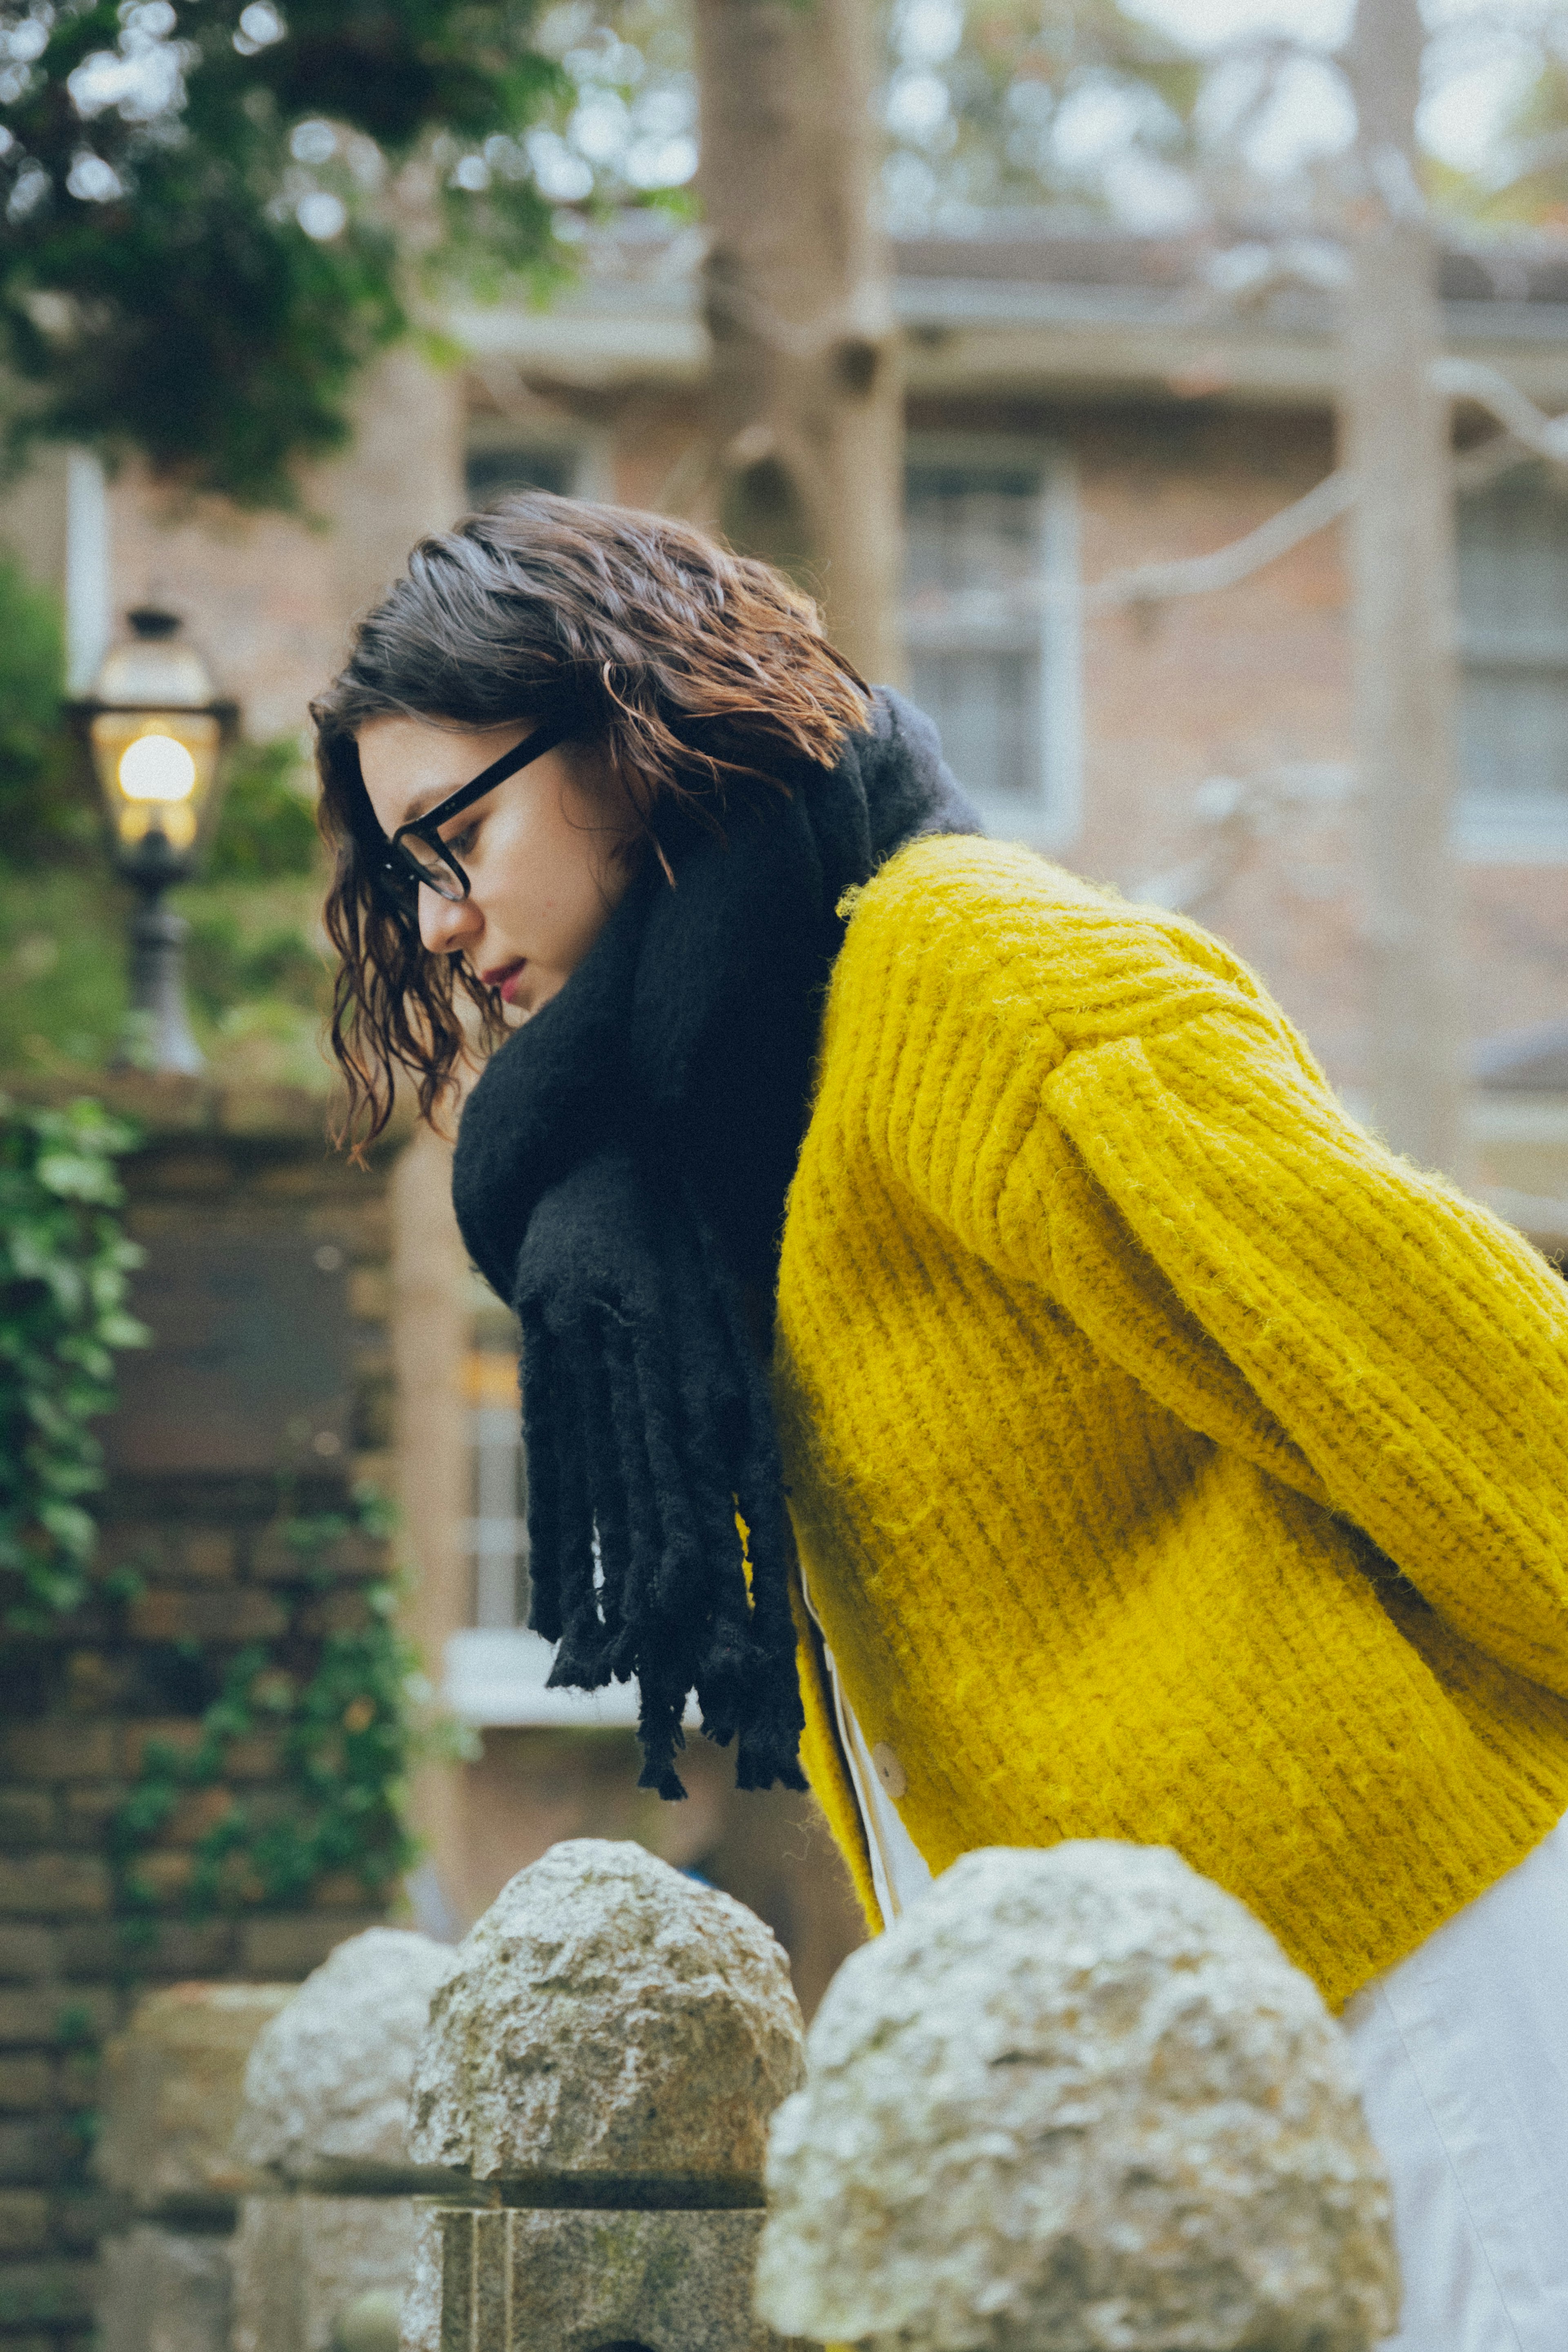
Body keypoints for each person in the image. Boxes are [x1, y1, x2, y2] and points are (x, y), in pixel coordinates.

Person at [314, 492, 1568, 2351]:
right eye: (406, 871)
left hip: (1413, 1994)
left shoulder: (965, 977)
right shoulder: (706, 1142)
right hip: (1129, 2100)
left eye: (460, 831)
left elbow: (1482, 1399)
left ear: (627, 722)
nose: (441, 918)